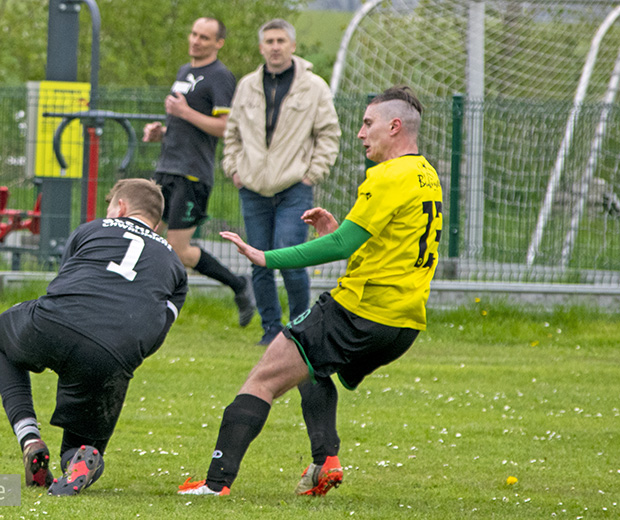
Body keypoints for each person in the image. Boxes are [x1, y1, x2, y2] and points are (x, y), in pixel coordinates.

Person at [177, 86, 443, 496]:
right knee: (309, 365)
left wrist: (266, 257)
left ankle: (215, 485)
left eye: (368, 123)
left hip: (360, 310)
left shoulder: (387, 175)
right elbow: (382, 244)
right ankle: (325, 463)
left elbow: (341, 247)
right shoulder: (426, 174)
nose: (360, 133)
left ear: (394, 127)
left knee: (263, 378)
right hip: (403, 322)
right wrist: (338, 230)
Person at [0, 178, 188, 496]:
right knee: (82, 446)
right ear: (157, 222)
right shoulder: (175, 265)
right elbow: (157, 332)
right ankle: (78, 461)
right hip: (113, 353)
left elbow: (66, 280)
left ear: (120, 207)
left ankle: (29, 437)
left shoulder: (92, 229)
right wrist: (124, 356)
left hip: (55, 323)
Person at [223, 18, 340, 346]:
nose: (275, 47)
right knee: (259, 260)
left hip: (294, 186)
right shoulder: (247, 85)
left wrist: (312, 174)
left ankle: (301, 328)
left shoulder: (314, 86)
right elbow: (232, 133)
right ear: (261, 47)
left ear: (293, 45)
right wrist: (234, 169)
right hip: (252, 187)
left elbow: (328, 133)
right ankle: (271, 330)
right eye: (269, 41)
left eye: (281, 41)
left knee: (291, 256)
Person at [143, 17, 255, 327]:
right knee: (147, 237)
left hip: (192, 174)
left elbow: (225, 127)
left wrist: (185, 112)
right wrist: (161, 132)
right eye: (193, 34)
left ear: (219, 43)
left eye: (204, 37)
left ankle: (238, 284)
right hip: (166, 168)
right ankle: (145, 305)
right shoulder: (184, 71)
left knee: (179, 250)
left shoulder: (220, 77)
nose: (196, 40)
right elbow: (186, 126)